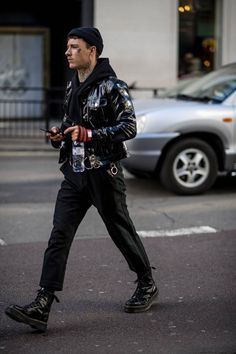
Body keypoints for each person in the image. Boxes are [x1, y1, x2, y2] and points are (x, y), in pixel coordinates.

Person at [5, 27, 158, 332]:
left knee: (120, 231)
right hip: (74, 174)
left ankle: (147, 283)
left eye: (74, 47)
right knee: (59, 233)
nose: (68, 52)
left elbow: (129, 127)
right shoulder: (72, 86)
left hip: (104, 173)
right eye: (67, 47)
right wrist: (59, 134)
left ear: (92, 51)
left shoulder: (114, 86)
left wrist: (91, 134)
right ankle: (42, 303)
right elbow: (71, 123)